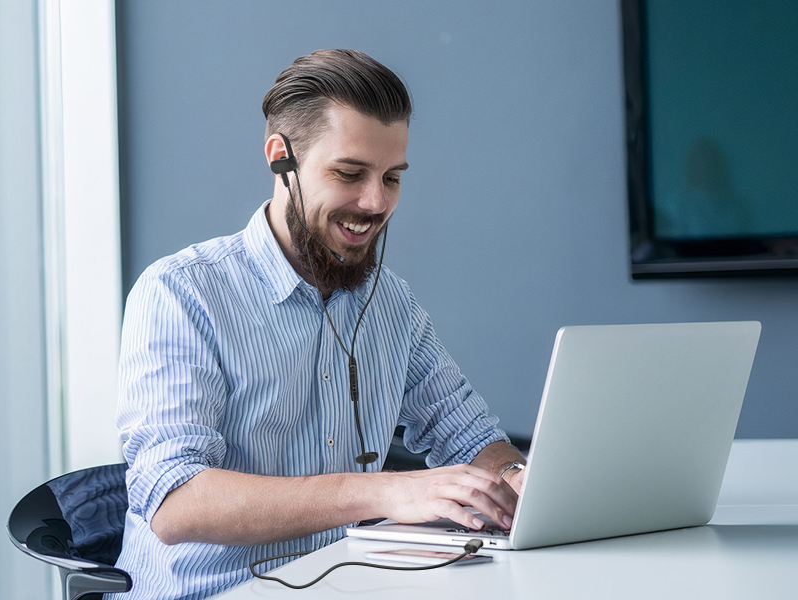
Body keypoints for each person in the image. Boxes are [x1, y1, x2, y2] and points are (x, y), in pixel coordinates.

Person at [113, 49, 528, 600]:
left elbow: (471, 436)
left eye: (392, 178)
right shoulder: (181, 294)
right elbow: (176, 502)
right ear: (280, 160)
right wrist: (382, 493)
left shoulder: (390, 302)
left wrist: (518, 479)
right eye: (350, 173)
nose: (376, 202)